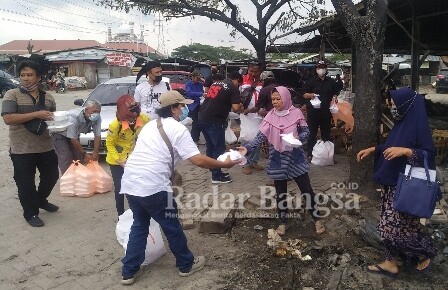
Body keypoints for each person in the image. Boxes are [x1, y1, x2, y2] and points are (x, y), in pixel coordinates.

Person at [119, 90, 246, 285]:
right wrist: (224, 165)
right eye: (182, 106)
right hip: (153, 185)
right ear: (173, 108)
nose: (185, 109)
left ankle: (128, 271)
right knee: (171, 225)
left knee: (140, 224)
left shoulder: (150, 125)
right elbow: (198, 160)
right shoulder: (178, 129)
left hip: (131, 183)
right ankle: (186, 264)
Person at [357, 87, 436, 277]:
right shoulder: (402, 123)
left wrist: (407, 151)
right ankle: (393, 261)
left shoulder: (418, 126)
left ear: (407, 105)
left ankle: (424, 252)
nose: (392, 107)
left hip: (405, 185)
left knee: (392, 225)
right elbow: (393, 146)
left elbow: (429, 154)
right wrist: (374, 149)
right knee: (398, 224)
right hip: (394, 182)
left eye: (395, 104)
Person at [243, 86, 326, 236]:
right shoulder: (270, 116)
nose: (274, 102)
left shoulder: (296, 113)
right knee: (281, 192)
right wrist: (247, 148)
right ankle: (283, 222)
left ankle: (317, 219)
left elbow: (306, 132)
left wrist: (298, 139)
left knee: (306, 189)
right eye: (273, 99)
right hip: (277, 158)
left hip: (295, 156)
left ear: (286, 98)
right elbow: (260, 137)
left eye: (277, 99)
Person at [1, 60, 59, 227]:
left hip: (45, 146)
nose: (25, 78)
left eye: (29, 75)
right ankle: (31, 213)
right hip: (21, 149)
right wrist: (37, 114)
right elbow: (8, 118)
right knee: (25, 183)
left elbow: (51, 117)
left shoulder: (48, 97)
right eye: (22, 75)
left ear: (38, 77)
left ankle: (40, 200)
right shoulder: (12, 94)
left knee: (52, 176)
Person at [106, 95, 149, 217]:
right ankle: (120, 214)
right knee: (120, 187)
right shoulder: (115, 125)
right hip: (116, 161)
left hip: (133, 159)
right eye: (130, 118)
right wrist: (119, 161)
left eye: (135, 117)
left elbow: (153, 130)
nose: (133, 120)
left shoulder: (143, 118)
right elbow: (109, 144)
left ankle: (136, 212)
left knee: (134, 186)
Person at [198, 71, 243, 183]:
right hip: (214, 120)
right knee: (219, 148)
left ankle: (213, 169)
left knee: (210, 147)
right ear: (237, 80)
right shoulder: (233, 87)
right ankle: (216, 176)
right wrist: (241, 106)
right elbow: (236, 108)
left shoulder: (216, 83)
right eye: (239, 84)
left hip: (202, 117)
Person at [51, 100, 102, 174]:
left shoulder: (97, 118)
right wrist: (84, 153)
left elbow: (97, 135)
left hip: (74, 133)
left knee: (78, 158)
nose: (96, 114)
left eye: (99, 112)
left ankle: (79, 178)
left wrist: (96, 152)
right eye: (94, 111)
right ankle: (67, 179)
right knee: (66, 157)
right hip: (59, 134)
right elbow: (73, 139)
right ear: (86, 109)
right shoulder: (74, 117)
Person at [303, 61, 339, 162]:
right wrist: (311, 95)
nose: (321, 69)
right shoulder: (311, 81)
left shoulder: (331, 82)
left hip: (326, 112)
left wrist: (335, 98)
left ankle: (327, 155)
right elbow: (304, 94)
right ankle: (310, 154)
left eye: (323, 67)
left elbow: (336, 93)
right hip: (313, 112)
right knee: (312, 134)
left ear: (326, 69)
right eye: (319, 67)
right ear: (316, 69)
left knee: (326, 134)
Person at [240, 62, 264, 175]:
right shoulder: (242, 80)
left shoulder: (261, 81)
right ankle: (245, 163)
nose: (253, 73)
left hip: (258, 114)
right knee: (246, 139)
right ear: (248, 69)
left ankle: (254, 161)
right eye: (251, 71)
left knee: (258, 138)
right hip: (245, 114)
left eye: (256, 71)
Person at [185, 70, 205, 145]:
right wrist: (200, 94)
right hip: (192, 105)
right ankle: (194, 140)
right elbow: (189, 93)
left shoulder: (200, 84)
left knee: (200, 123)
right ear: (192, 77)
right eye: (197, 78)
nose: (198, 80)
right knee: (195, 123)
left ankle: (197, 138)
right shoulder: (189, 84)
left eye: (199, 78)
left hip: (200, 105)